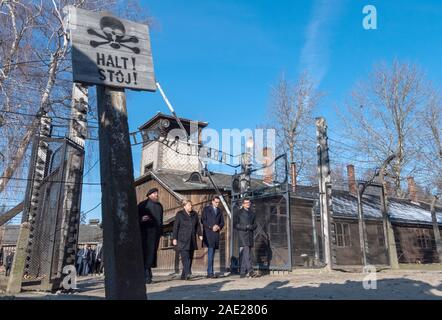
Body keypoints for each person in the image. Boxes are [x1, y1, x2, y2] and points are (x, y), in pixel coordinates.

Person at [138, 187, 163, 284]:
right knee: (146, 254)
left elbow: (160, 221)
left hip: (155, 234)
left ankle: (148, 275)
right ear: (149, 195)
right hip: (145, 233)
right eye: (154, 193)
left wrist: (160, 232)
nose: (156, 195)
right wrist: (141, 219)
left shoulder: (159, 206)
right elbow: (135, 217)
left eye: (157, 193)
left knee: (152, 254)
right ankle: (146, 276)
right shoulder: (142, 205)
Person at [172, 199, 203, 280]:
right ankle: (188, 273)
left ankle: (183, 275)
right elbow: (176, 227)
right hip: (182, 239)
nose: (191, 206)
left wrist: (200, 234)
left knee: (190, 257)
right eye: (189, 205)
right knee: (185, 257)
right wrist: (174, 238)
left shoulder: (194, 214)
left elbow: (198, 226)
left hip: (192, 239)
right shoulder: (179, 214)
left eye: (191, 205)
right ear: (184, 206)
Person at [233, 198, 258, 278]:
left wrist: (251, 227)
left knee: (245, 253)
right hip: (242, 235)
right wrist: (245, 227)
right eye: (246, 203)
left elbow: (255, 225)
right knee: (247, 252)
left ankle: (242, 272)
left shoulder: (252, 213)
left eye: (249, 202)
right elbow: (235, 225)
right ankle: (250, 271)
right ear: (243, 204)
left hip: (250, 234)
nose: (248, 204)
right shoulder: (238, 213)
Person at [201, 196, 224, 278]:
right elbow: (203, 220)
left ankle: (210, 272)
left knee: (212, 253)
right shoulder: (206, 209)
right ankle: (210, 273)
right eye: (216, 202)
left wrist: (218, 226)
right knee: (210, 253)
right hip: (209, 234)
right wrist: (211, 226)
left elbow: (222, 223)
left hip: (216, 235)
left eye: (218, 202)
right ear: (212, 201)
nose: (217, 204)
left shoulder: (219, 211)